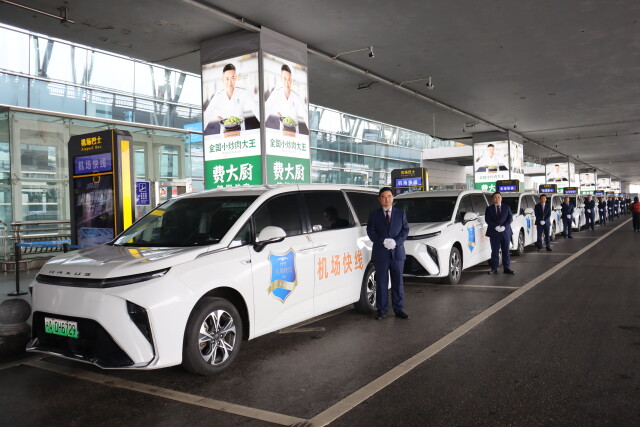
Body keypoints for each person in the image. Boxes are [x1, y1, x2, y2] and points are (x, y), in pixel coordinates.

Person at [366, 187, 410, 321]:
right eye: (384, 197)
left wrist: (396, 242)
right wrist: (383, 241)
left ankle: (399, 309)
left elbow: (405, 230)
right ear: (379, 199)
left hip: (397, 254)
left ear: (393, 198)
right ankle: (382, 310)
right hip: (381, 254)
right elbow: (371, 231)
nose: (387, 199)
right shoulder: (374, 215)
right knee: (381, 283)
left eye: (389, 196)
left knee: (398, 282)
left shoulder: (400, 213)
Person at [203, 63, 260, 133]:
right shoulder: (218, 96)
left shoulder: (243, 92)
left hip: (240, 132)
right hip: (225, 133)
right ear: (222, 80)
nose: (230, 82)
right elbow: (207, 115)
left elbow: (255, 108)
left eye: (232, 78)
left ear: (236, 78)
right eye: (227, 79)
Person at [265, 64, 308, 133]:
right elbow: (266, 109)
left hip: (294, 131)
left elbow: (305, 114)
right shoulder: (277, 92)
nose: (287, 83)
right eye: (285, 79)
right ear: (281, 79)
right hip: (282, 130)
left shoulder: (297, 96)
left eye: (289, 79)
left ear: (292, 80)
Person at [485, 192, 514, 274]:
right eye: (495, 197)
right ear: (492, 199)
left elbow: (510, 218)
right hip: (494, 232)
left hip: (506, 232)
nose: (497, 199)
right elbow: (487, 220)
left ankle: (507, 268)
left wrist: (504, 226)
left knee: (506, 250)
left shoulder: (506, 207)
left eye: (498, 197)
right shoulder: (489, 208)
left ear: (501, 198)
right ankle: (494, 269)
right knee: (494, 251)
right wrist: (495, 226)